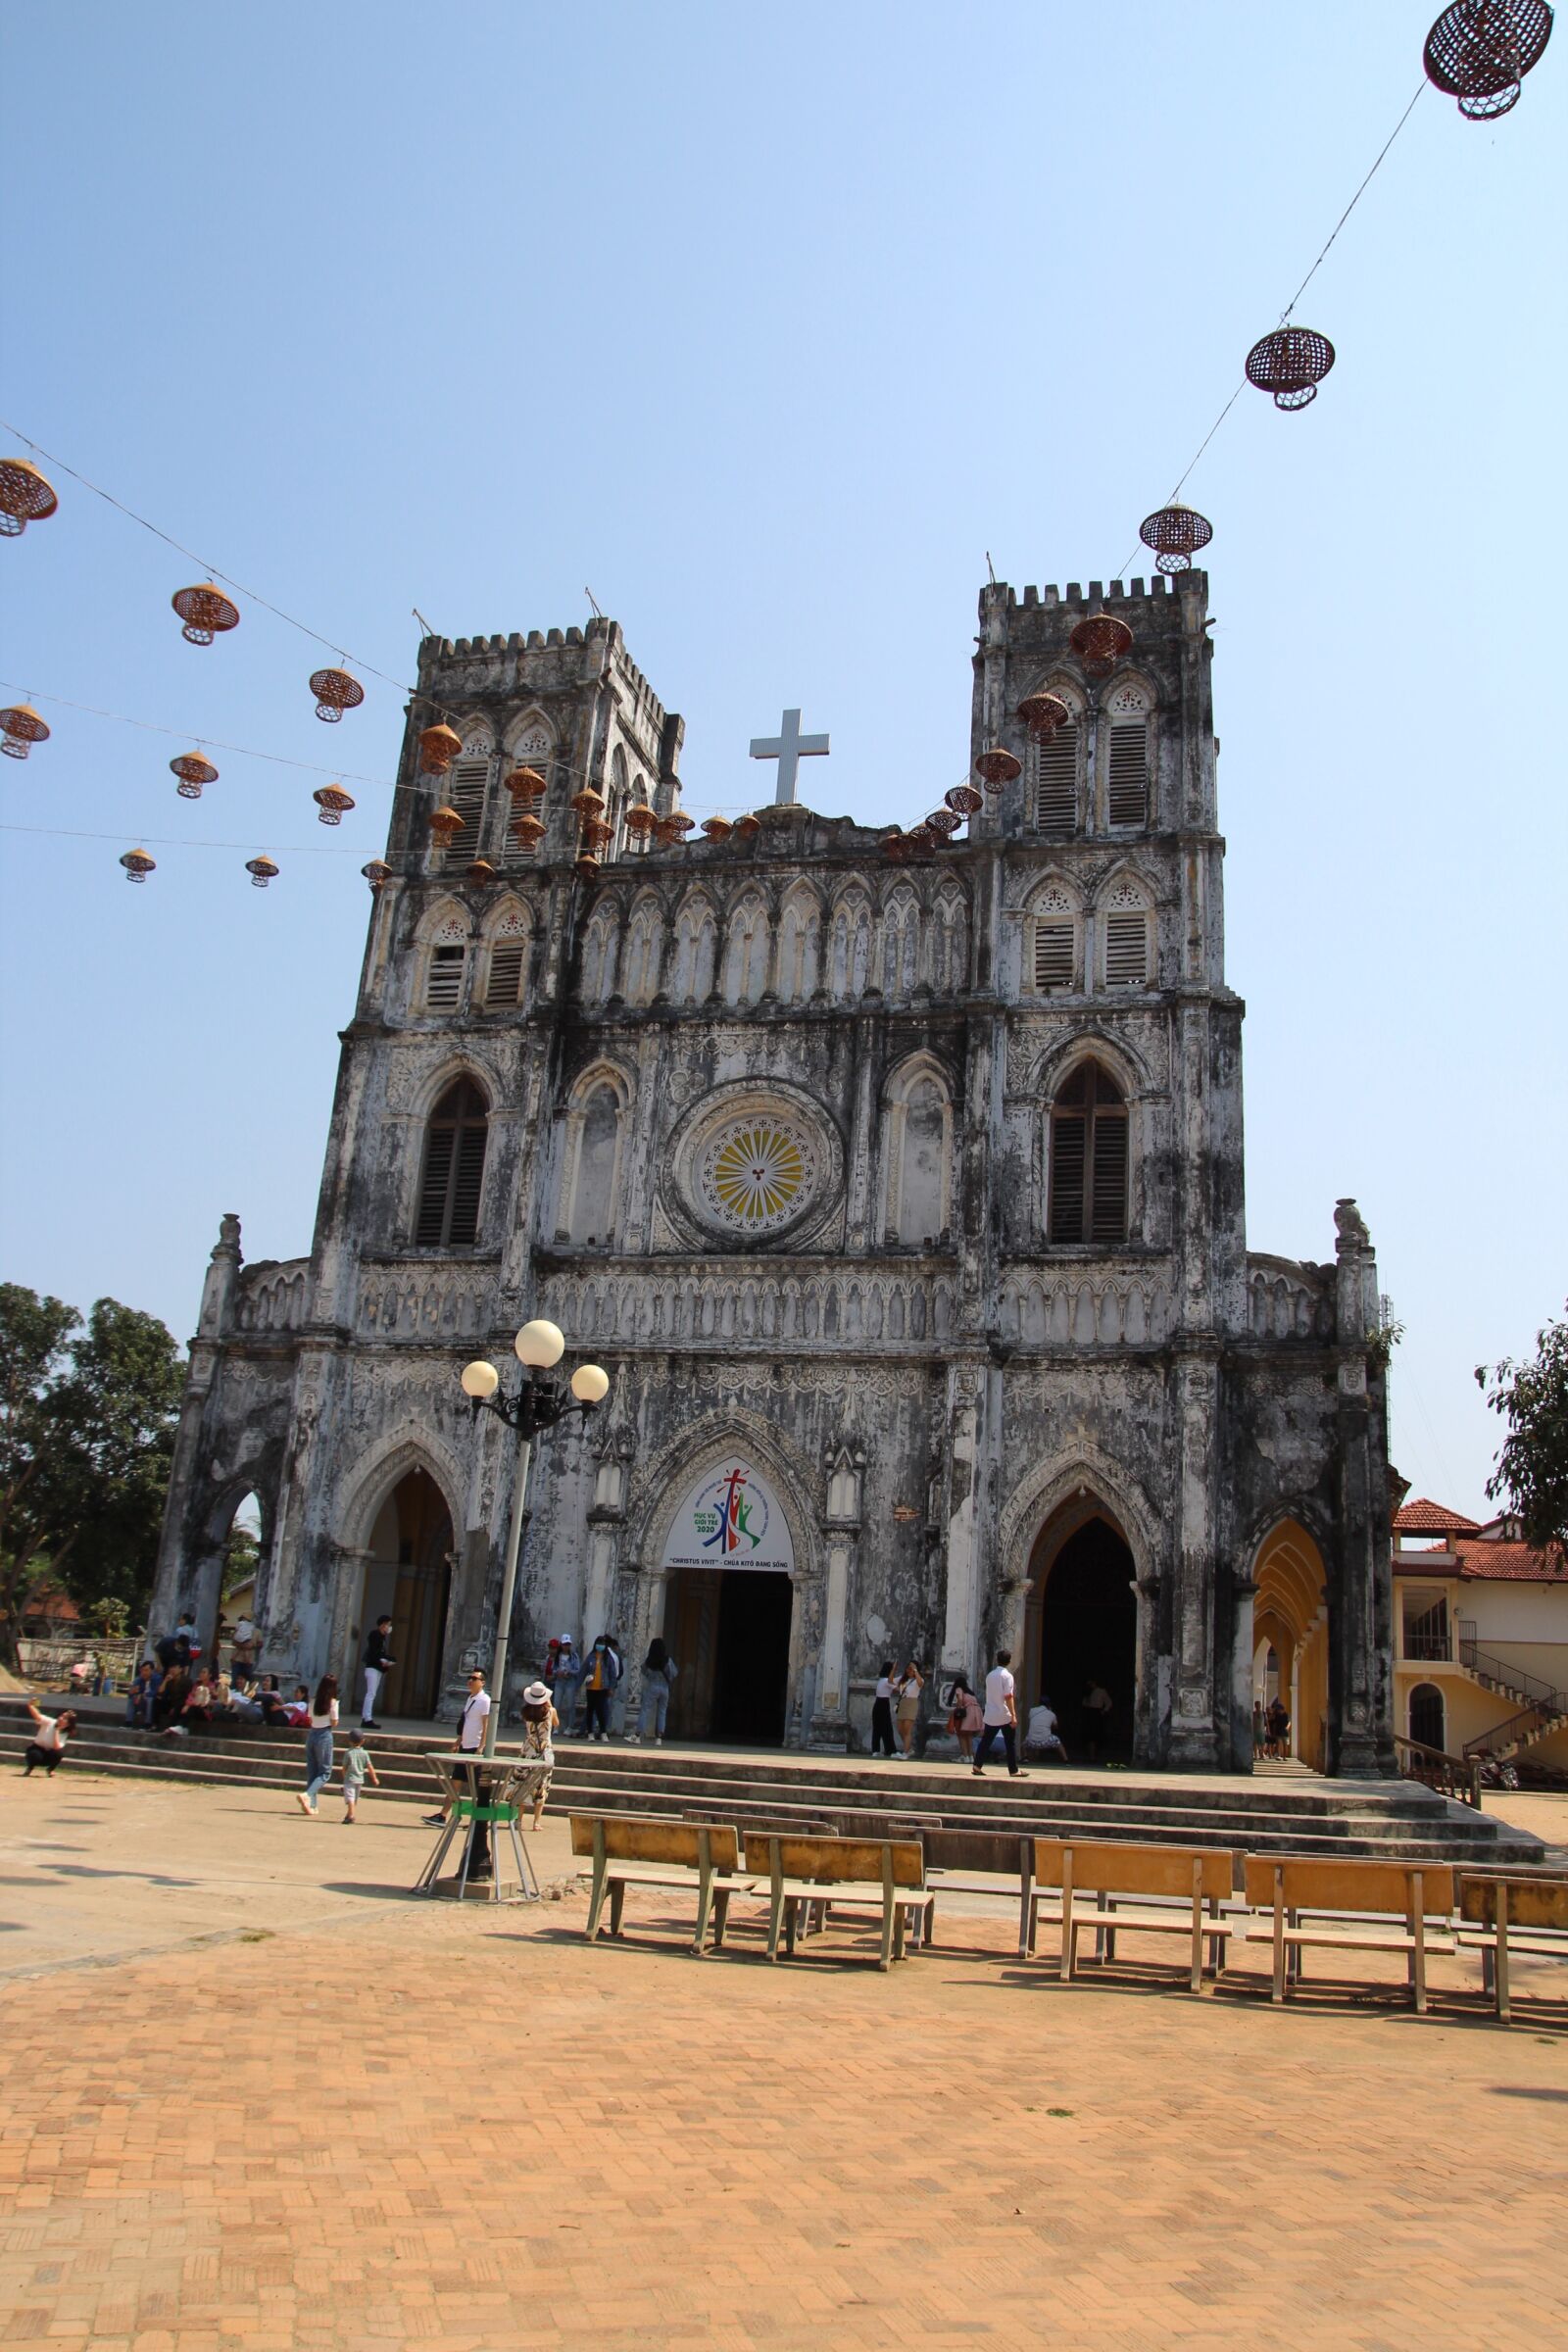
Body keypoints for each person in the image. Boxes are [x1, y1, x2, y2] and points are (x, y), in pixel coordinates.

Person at [422, 1668, 495, 1873]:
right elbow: (467, 1723)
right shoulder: (471, 1699)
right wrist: (459, 1740)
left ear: (483, 1682)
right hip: (465, 1745)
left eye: (475, 1678)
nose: (470, 1681)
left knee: (474, 1786)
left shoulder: (484, 1700)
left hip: (475, 1748)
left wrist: (482, 1746)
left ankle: (476, 1818)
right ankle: (444, 1815)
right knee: (456, 1781)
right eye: (469, 1678)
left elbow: (485, 1724)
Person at [972, 1648, 1024, 1778]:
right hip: (1004, 1713)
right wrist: (1013, 1715)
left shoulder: (990, 1675)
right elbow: (1008, 1696)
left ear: (997, 1660)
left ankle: (977, 1765)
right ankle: (1013, 1770)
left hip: (991, 1713)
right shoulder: (1007, 1676)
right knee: (1010, 1742)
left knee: (986, 1740)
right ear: (1009, 1661)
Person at [297, 1675, 339, 1815]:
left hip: (312, 1734)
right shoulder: (332, 1703)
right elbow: (334, 1722)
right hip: (324, 1735)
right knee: (325, 1772)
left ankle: (312, 1805)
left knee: (313, 1771)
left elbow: (309, 1719)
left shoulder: (313, 1701)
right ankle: (308, 1795)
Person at [519, 1679, 557, 1829]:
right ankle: (536, 1822)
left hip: (529, 1748)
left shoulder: (525, 1712)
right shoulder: (550, 1711)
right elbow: (556, 1723)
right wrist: (550, 1705)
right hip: (544, 1749)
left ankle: (519, 1819)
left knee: (523, 1783)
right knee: (542, 1785)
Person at [634, 1638, 677, 1745]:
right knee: (662, 1711)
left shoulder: (649, 1660)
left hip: (653, 1686)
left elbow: (644, 1671)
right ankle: (659, 1738)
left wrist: (652, 1676)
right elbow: (673, 1673)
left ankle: (638, 1735)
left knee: (645, 1710)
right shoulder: (667, 1660)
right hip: (665, 1688)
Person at [579, 1637, 619, 1741]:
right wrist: (579, 1684)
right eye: (598, 1643)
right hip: (591, 1687)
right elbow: (583, 1670)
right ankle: (590, 1733)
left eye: (602, 1644)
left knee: (601, 1711)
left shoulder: (608, 1658)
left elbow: (612, 1674)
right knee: (590, 1710)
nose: (600, 1646)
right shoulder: (591, 1657)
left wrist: (611, 1687)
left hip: (603, 1688)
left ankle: (603, 1732)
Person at [22, 1704, 77, 1776]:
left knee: (58, 1755)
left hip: (49, 1753)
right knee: (34, 1755)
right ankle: (30, 1768)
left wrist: (57, 1730)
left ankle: (50, 1770)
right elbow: (38, 1717)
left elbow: (57, 1747)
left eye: (65, 1718)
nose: (61, 1718)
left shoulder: (65, 1733)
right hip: (37, 1748)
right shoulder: (50, 1722)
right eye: (61, 1716)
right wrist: (31, 1706)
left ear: (68, 1724)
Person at [361, 1614, 396, 1728]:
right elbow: (374, 1652)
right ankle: (367, 1718)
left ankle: (366, 1717)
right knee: (370, 1694)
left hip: (378, 1669)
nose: (389, 1627)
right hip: (372, 1668)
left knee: (372, 1694)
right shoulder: (375, 1635)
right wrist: (383, 1660)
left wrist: (388, 1660)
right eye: (388, 1625)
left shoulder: (382, 1638)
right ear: (383, 1625)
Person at [340, 1731, 379, 1824]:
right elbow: (370, 1766)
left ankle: (351, 1816)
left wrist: (344, 1777)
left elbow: (344, 1767)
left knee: (350, 1797)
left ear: (349, 1741)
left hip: (349, 1779)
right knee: (354, 1798)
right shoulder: (365, 1753)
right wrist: (374, 1778)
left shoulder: (348, 1753)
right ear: (363, 1741)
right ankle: (349, 1814)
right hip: (359, 1779)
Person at [946, 1673, 984, 1762]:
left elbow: (960, 1700)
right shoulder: (970, 1692)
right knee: (969, 1735)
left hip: (968, 1711)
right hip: (976, 1711)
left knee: (961, 1734)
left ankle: (965, 1756)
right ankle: (970, 1756)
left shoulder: (959, 1689)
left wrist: (958, 1709)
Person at [552, 1638, 581, 1736]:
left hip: (570, 1681)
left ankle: (570, 1727)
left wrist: (569, 1672)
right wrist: (558, 1673)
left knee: (570, 1705)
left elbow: (577, 1669)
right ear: (561, 1645)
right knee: (556, 1705)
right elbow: (553, 1669)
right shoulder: (557, 1656)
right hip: (559, 1681)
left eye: (568, 1644)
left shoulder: (574, 1656)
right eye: (564, 1644)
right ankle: (556, 1726)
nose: (566, 1646)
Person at [895, 1661, 925, 1758]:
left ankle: (906, 1752)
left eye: (911, 1668)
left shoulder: (918, 1680)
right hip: (902, 1703)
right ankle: (909, 1749)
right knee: (900, 1729)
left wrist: (915, 1670)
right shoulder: (903, 1680)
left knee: (907, 1729)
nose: (909, 1670)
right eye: (908, 1667)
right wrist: (893, 1669)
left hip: (911, 1703)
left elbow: (920, 1683)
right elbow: (890, 1681)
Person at [1024, 1697, 1069, 1763]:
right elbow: (1056, 1726)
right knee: (1058, 1741)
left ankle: (1026, 1758)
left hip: (1031, 1742)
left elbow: (1031, 1719)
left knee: (1023, 1745)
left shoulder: (1032, 1710)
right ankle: (1066, 1760)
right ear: (1049, 1705)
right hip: (1046, 1741)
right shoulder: (1051, 1714)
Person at [1080, 1679, 1113, 1764]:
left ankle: (1093, 1756)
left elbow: (1109, 1702)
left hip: (1096, 1713)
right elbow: (1084, 1704)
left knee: (1095, 1735)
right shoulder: (1087, 1692)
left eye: (1090, 1683)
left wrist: (1104, 1711)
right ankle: (1091, 1756)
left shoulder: (1101, 1691)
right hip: (1088, 1713)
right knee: (1088, 1735)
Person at [870, 1662, 899, 1759]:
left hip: (878, 1703)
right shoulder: (887, 1681)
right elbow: (897, 1689)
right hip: (883, 1704)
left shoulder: (881, 1680)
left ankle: (875, 1750)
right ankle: (891, 1751)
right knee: (887, 1728)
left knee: (877, 1728)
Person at [124, 1660, 162, 1730]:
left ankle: (148, 1724)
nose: (144, 1673)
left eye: (146, 1670)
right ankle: (128, 1723)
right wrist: (132, 1691)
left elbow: (155, 1692)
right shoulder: (139, 1679)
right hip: (141, 1703)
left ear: (152, 1671)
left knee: (150, 1699)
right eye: (142, 1670)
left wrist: (143, 1695)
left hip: (153, 1704)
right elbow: (130, 1693)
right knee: (132, 1699)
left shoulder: (157, 1678)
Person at [229, 1614, 258, 1690]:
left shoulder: (243, 1625)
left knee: (249, 1678)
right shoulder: (247, 1626)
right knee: (235, 1678)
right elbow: (233, 1640)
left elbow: (259, 1643)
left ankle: (250, 1692)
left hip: (242, 1643)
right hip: (239, 1656)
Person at [1266, 1694, 1291, 1759]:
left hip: (1284, 1731)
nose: (1278, 1710)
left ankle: (1284, 1757)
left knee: (1285, 1744)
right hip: (1278, 1731)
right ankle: (1278, 1755)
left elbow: (1288, 1722)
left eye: (1278, 1709)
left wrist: (1287, 1728)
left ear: (1281, 1709)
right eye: (1277, 1709)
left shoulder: (1285, 1714)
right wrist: (1273, 1713)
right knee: (1278, 1744)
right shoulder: (1276, 1715)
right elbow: (1272, 1721)